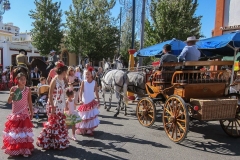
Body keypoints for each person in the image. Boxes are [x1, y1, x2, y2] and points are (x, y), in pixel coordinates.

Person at [36, 61, 70, 150]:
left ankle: (57, 143)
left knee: (59, 124)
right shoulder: (54, 80)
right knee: (52, 124)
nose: (66, 73)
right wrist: (53, 107)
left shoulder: (62, 80)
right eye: (66, 72)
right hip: (53, 104)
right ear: (63, 72)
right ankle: (45, 141)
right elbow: (50, 95)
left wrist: (65, 104)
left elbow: (63, 94)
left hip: (60, 104)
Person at [2, 73, 34, 157]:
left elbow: (30, 102)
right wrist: (10, 96)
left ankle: (24, 150)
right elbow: (9, 102)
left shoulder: (27, 89)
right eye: (21, 79)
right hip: (15, 113)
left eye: (25, 79)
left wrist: (31, 111)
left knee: (24, 132)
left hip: (24, 113)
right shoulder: (13, 88)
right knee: (15, 133)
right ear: (17, 80)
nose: (23, 81)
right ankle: (15, 149)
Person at [75, 67, 100, 136]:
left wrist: (98, 99)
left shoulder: (94, 82)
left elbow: (96, 92)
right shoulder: (84, 82)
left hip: (91, 100)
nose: (87, 76)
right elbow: (80, 92)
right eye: (86, 74)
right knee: (84, 116)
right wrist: (80, 99)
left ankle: (89, 129)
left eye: (88, 74)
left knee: (90, 115)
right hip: (85, 101)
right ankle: (83, 128)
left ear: (91, 75)